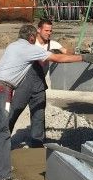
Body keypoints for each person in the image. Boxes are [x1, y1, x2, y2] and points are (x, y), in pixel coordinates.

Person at [0, 24, 93, 180]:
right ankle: (3, 177)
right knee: (3, 131)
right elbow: (57, 58)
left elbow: (61, 52)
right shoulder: (30, 49)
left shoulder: (13, 46)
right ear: (31, 37)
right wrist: (82, 58)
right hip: (3, 90)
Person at [8, 17, 63, 150]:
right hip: (24, 85)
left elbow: (67, 53)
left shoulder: (53, 44)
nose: (49, 33)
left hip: (39, 86)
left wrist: (80, 55)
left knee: (39, 116)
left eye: (50, 30)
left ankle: (37, 146)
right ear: (38, 30)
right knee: (13, 112)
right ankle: (2, 140)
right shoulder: (30, 43)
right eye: (46, 30)